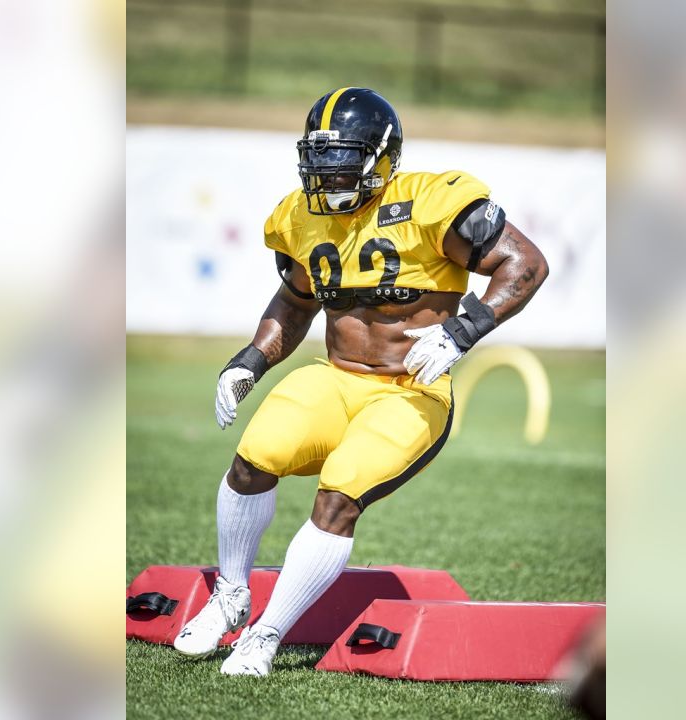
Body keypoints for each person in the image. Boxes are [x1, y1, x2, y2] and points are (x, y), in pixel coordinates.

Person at [173, 87, 550, 676]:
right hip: (337, 377)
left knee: (339, 493)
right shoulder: (302, 215)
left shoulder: (431, 202)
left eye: (342, 159)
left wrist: (464, 329)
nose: (326, 175)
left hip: (411, 390)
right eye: (318, 160)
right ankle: (231, 595)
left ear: (380, 158)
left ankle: (266, 635)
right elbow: (295, 300)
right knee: (253, 458)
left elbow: (525, 264)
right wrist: (251, 357)